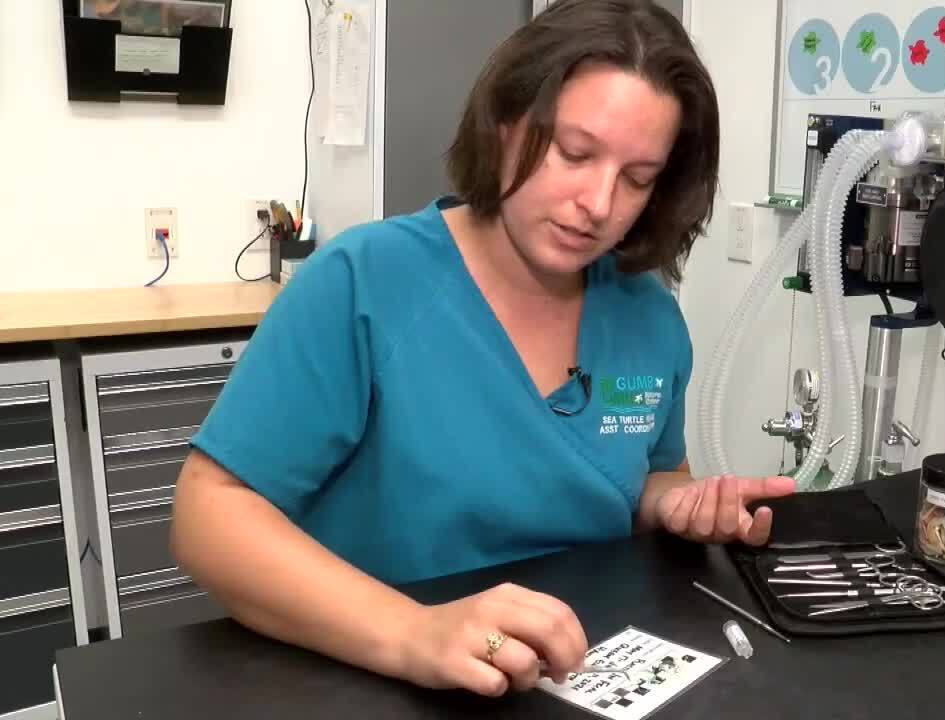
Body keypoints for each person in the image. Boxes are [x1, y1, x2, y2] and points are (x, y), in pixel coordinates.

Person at [170, 0, 795, 700]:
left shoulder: (648, 319)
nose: (598, 202)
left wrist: (681, 504)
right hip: (374, 674)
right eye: (574, 153)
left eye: (637, 179)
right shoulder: (366, 285)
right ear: (505, 124)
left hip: (577, 672)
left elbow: (647, 476)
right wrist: (414, 632)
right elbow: (210, 515)